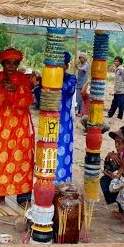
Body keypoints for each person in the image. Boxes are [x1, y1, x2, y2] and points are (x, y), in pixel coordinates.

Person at [0, 48, 34, 207]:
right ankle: (1, 194)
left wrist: (17, 90)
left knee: (23, 159)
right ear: (3, 63)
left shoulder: (23, 79)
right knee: (1, 159)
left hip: (20, 125)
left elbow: (28, 100)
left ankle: (23, 198)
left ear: (18, 64)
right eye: (8, 63)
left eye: (15, 63)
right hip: (1, 124)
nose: (11, 66)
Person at [100, 125, 124, 214]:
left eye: (119, 143)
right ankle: (122, 211)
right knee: (105, 180)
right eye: (115, 142)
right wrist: (108, 156)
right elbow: (107, 171)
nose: (116, 145)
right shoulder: (120, 155)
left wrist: (118, 176)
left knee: (122, 187)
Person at [55, 52, 77, 182]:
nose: (58, 68)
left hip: (64, 121)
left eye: (60, 65)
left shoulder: (71, 78)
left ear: (66, 66)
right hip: (48, 120)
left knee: (62, 149)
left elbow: (66, 89)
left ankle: (61, 181)